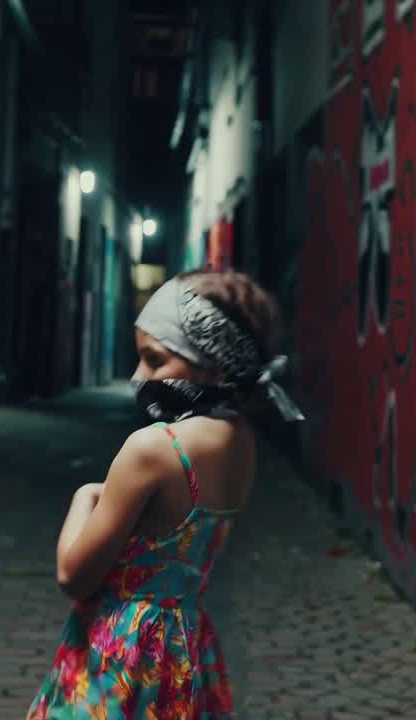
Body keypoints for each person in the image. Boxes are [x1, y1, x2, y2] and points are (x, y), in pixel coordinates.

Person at [25, 269, 304, 719]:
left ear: (213, 363)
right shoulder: (241, 441)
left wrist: (84, 495)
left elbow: (73, 577)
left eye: (155, 361)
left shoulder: (154, 448)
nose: (139, 377)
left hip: (122, 654)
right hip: (185, 648)